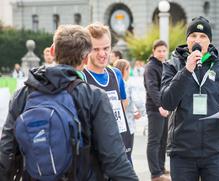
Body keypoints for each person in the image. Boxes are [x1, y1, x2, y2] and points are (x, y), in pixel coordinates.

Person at [0, 24, 138, 181]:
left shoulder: (23, 95)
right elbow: (115, 161)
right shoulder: (93, 97)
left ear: (52, 51)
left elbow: (6, 152)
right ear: (85, 59)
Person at [160, 16, 219, 181]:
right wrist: (186, 70)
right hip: (182, 151)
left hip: (214, 151)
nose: (198, 40)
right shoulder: (172, 65)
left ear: (209, 41)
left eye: (203, 36)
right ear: (187, 39)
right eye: (193, 35)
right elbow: (167, 102)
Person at [82, 23, 133, 163]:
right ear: (86, 50)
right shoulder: (81, 77)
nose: (102, 54)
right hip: (98, 153)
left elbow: (123, 104)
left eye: (106, 48)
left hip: (122, 145)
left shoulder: (116, 74)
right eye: (95, 49)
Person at [144, 40, 170, 181]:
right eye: (159, 51)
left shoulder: (164, 65)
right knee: (154, 141)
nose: (161, 53)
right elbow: (152, 88)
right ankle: (155, 174)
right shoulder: (151, 67)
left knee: (163, 140)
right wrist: (160, 106)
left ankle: (161, 167)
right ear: (154, 51)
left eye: (164, 51)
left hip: (165, 108)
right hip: (155, 109)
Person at [114, 59, 146, 162]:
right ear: (124, 70)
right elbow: (137, 101)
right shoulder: (127, 84)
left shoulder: (112, 85)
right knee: (127, 157)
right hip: (127, 125)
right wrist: (142, 112)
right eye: (128, 70)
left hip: (114, 126)